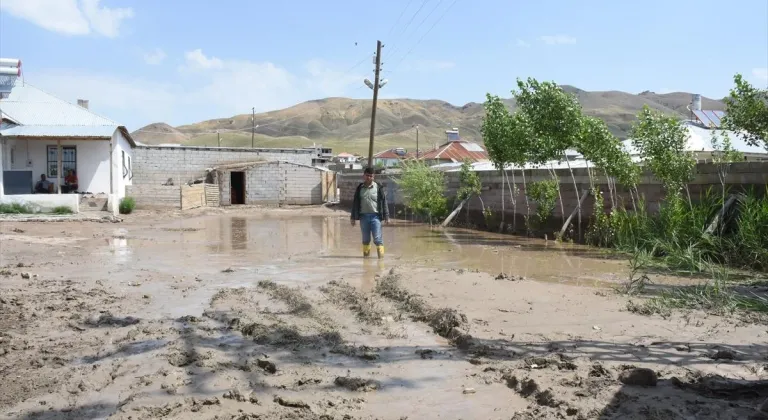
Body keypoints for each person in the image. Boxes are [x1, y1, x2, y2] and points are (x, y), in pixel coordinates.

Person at [350, 167, 390, 258]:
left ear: (373, 177)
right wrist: (353, 217)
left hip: (376, 217)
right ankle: (366, 260)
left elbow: (384, 202)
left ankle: (381, 261)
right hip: (363, 217)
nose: (368, 177)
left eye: (370, 176)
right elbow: (355, 203)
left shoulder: (378, 188)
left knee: (377, 239)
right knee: (365, 239)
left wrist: (387, 216)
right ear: (363, 176)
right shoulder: (360, 188)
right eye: (367, 175)